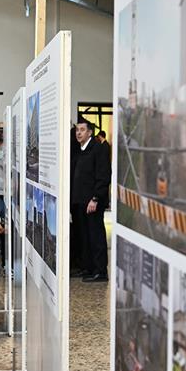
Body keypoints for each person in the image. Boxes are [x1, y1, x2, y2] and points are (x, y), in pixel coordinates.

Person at [71, 117, 111, 282]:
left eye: (82, 130)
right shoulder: (78, 150)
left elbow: (103, 176)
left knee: (96, 235)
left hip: (92, 202)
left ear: (89, 132)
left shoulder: (98, 149)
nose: (78, 133)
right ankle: (88, 267)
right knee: (84, 236)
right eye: (77, 130)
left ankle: (100, 271)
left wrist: (95, 198)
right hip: (79, 201)